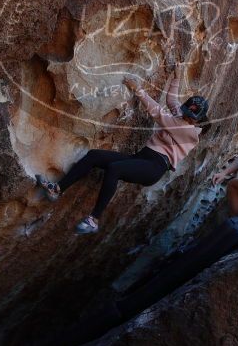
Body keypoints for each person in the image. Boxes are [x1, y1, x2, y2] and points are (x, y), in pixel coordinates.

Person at [36, 66, 209, 234]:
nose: (186, 117)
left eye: (191, 117)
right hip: (143, 158)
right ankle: (57, 189)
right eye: (186, 113)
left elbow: (159, 115)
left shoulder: (189, 133)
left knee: (115, 169)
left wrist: (138, 90)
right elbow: (172, 102)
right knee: (94, 156)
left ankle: (94, 220)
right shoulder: (181, 117)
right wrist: (177, 77)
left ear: (199, 120)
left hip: (154, 167)